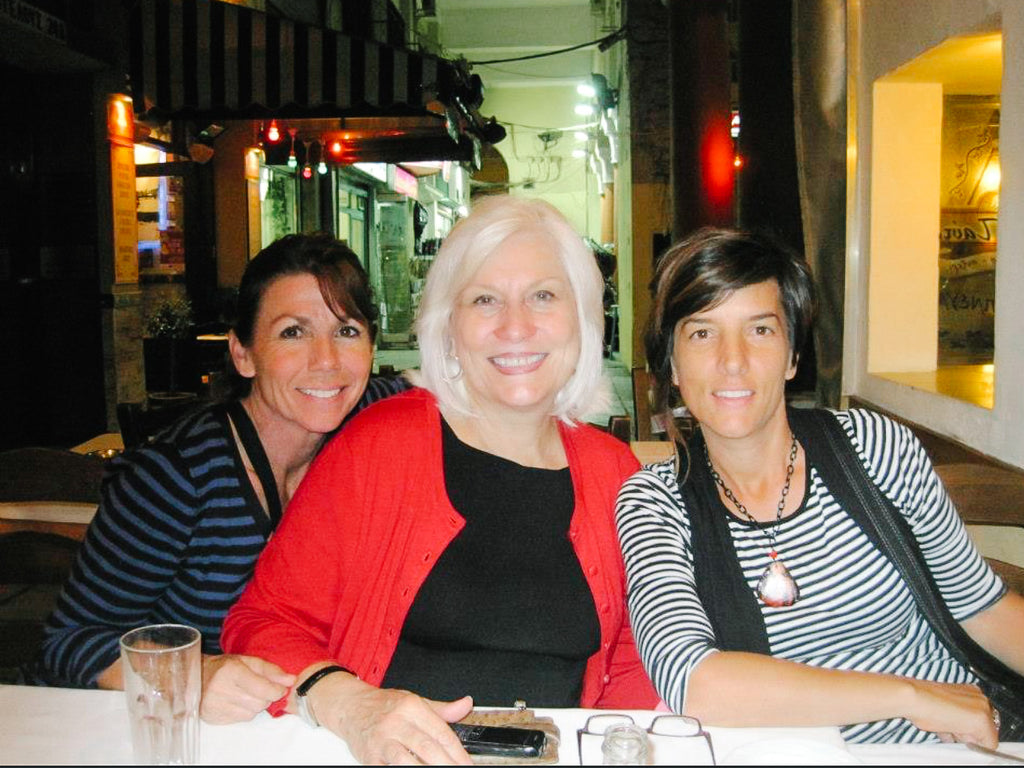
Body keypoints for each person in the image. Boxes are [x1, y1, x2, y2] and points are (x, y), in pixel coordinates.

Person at [222, 195, 659, 764]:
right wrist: (348, 702)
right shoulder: (377, 445)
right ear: (448, 326)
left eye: (543, 296)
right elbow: (262, 622)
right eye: (484, 300)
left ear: (583, 318)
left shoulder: (615, 472)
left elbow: (638, 658)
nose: (516, 326)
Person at [615, 227, 1024, 746]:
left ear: (791, 356)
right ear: (672, 366)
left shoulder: (874, 449)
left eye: (760, 330)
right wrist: (909, 696)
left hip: (953, 748)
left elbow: (981, 607)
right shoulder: (655, 502)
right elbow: (695, 683)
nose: (732, 360)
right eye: (702, 333)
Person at [36, 234, 407, 724]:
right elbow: (69, 642)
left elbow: (452, 389)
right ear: (243, 353)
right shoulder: (175, 476)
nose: (327, 360)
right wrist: (194, 673)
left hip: (284, 728)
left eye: (347, 331)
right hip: (145, 730)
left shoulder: (364, 413)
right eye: (293, 333)